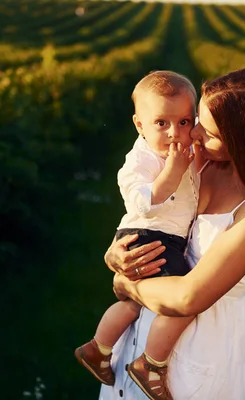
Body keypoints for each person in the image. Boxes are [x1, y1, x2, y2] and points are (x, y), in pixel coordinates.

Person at [98, 68, 245, 400]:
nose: (194, 133)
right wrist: (116, 254)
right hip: (144, 328)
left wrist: (126, 283)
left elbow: (189, 297)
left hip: (203, 342)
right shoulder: (203, 165)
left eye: (208, 131)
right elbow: (152, 217)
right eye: (196, 120)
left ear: (244, 142)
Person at [75, 71, 201, 398]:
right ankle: (151, 364)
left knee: (133, 302)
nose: (175, 133)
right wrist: (171, 173)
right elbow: (141, 201)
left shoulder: (182, 151)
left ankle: (99, 349)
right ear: (139, 125)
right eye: (162, 123)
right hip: (150, 235)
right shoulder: (142, 159)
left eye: (185, 122)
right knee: (180, 301)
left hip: (155, 235)